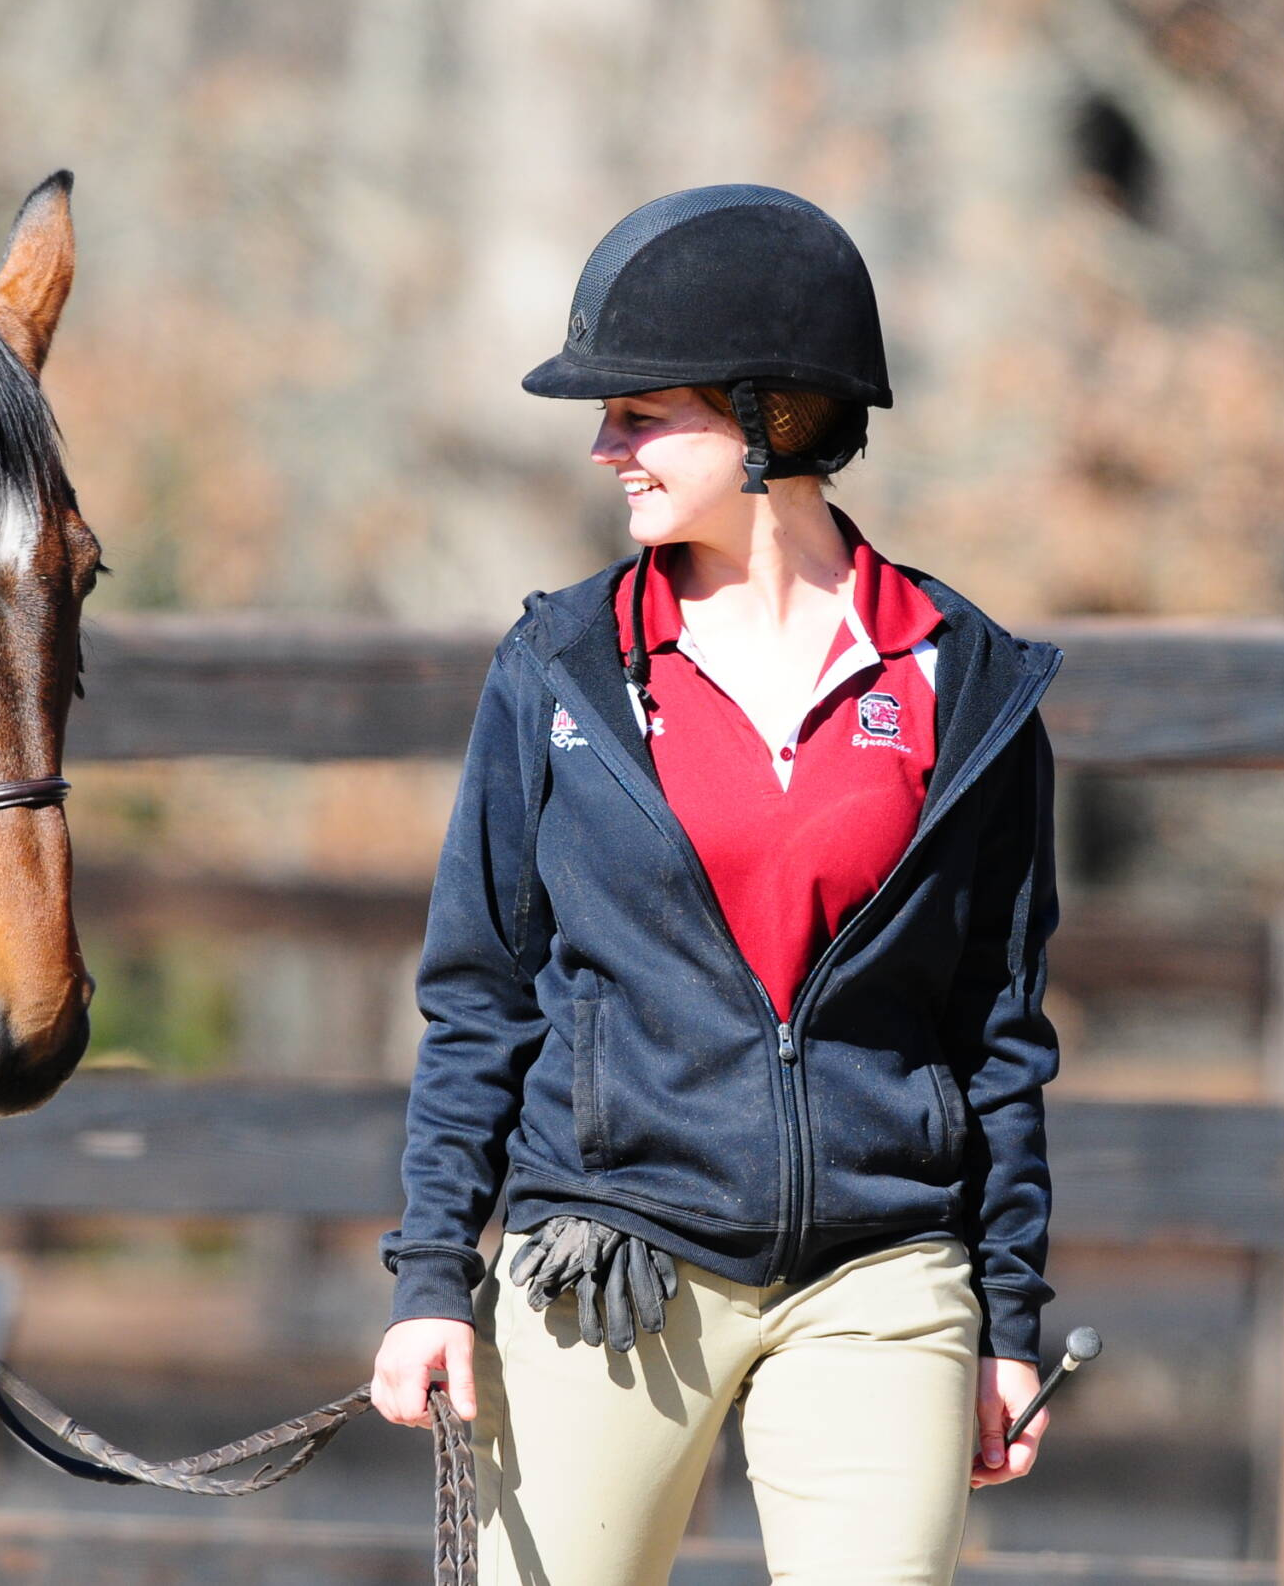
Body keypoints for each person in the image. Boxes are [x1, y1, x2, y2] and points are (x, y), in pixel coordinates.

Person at [372, 185, 1065, 1586]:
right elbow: (480, 997)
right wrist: (433, 1276)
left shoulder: (967, 685)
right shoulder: (559, 673)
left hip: (882, 1269)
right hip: (608, 1261)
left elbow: (998, 1029)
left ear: (771, 418)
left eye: (641, 412)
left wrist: (1007, 1316)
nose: (603, 446)